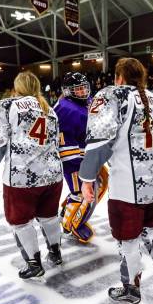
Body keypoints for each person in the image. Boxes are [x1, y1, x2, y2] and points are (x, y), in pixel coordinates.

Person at [80, 57, 153, 304]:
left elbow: (99, 140)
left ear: (119, 77)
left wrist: (86, 177)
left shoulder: (114, 96)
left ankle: (130, 288)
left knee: (127, 239)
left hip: (130, 183)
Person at [0, 70, 63, 280]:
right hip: (53, 174)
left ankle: (33, 264)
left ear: (17, 87)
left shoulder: (7, 105)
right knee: (49, 217)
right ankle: (55, 252)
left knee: (20, 221)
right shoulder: (50, 110)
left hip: (22, 177)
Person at [54, 72, 108, 243]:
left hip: (87, 155)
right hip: (74, 159)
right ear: (68, 91)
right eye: (78, 89)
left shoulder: (85, 103)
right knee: (83, 193)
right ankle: (71, 225)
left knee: (100, 183)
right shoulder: (66, 108)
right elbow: (65, 142)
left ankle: (66, 211)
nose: (83, 92)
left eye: (85, 88)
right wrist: (78, 164)